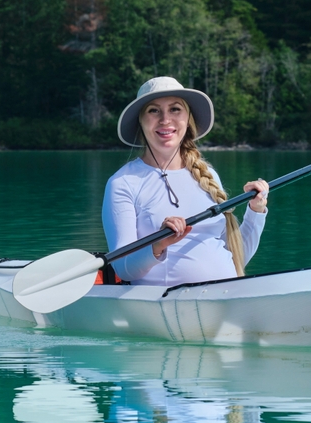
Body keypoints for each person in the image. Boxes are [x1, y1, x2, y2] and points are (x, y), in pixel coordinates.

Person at [102, 76, 269, 286]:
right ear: (140, 121)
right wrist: (158, 244)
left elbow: (237, 257)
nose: (165, 120)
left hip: (228, 297)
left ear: (187, 118)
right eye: (153, 110)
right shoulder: (123, 183)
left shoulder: (207, 174)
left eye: (175, 109)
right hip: (164, 307)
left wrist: (256, 211)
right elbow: (123, 268)